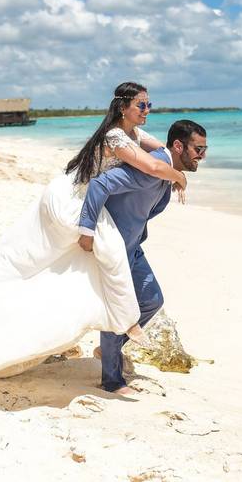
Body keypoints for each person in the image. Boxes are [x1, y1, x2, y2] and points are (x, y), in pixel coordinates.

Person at [0, 82, 190, 386]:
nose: (147, 110)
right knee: (111, 253)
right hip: (74, 199)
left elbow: (160, 153)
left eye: (149, 105)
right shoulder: (114, 135)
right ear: (124, 107)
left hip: (91, 202)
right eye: (142, 105)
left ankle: (117, 331)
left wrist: (174, 166)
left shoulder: (134, 134)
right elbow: (151, 166)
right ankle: (127, 324)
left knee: (68, 271)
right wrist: (178, 177)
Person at [78, 119, 208, 395]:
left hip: (133, 247)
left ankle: (108, 350)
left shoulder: (165, 171)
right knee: (120, 308)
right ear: (178, 145)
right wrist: (87, 230)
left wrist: (175, 178)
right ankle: (112, 380)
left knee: (152, 300)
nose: (202, 155)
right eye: (198, 148)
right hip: (113, 248)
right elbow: (100, 185)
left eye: (204, 149)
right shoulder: (151, 167)